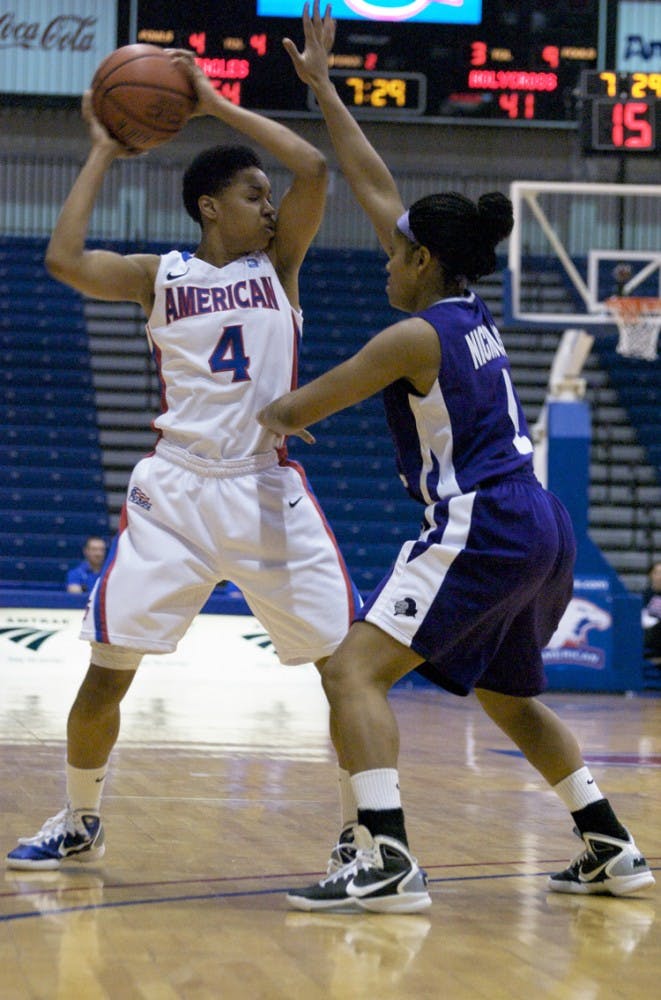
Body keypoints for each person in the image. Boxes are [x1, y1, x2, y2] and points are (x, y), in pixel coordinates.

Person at [256, 2, 655, 913]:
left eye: (395, 251)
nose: (382, 259)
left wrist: (268, 401)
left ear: (424, 257)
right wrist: (322, 87)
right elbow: (370, 178)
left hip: (480, 520)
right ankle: (610, 846)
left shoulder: (409, 336)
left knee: (351, 671)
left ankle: (386, 858)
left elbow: (293, 405)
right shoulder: (467, 309)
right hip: (539, 522)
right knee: (510, 699)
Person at [6, 47, 360, 871]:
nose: (269, 207)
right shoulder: (155, 277)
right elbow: (62, 261)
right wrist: (102, 149)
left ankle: (362, 826)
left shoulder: (282, 268)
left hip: (264, 485)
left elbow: (310, 166)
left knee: (344, 669)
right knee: (107, 671)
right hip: (176, 490)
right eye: (250, 194)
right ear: (209, 206)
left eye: (268, 198)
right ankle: (79, 816)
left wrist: (210, 102)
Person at [642, 559, 661, 663]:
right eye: (657, 573)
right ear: (651, 575)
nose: (660, 577)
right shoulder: (645, 595)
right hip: (649, 633)